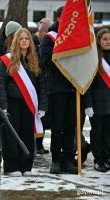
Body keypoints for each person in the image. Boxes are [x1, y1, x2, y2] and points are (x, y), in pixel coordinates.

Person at [0, 28, 48, 176]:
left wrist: (43, 105)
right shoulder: (6, 60)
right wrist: (3, 107)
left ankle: (26, 166)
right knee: (11, 135)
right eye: (21, 38)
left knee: (27, 135)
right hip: (12, 103)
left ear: (30, 42)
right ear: (16, 42)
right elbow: (0, 85)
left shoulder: (34, 60)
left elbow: (42, 84)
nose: (24, 41)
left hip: (29, 104)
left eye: (26, 38)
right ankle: (12, 167)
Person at [40, 6, 78, 174]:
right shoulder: (49, 38)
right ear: (58, 18)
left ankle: (69, 159)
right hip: (56, 88)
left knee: (71, 126)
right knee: (57, 126)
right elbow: (45, 62)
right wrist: (64, 58)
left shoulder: (76, 35)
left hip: (73, 87)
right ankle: (56, 159)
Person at [83, 28, 110, 172]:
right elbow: (88, 84)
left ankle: (107, 158)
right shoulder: (94, 59)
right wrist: (88, 104)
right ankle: (98, 160)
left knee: (108, 133)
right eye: (105, 39)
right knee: (97, 133)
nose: (108, 42)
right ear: (98, 41)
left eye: (109, 39)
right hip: (97, 103)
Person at [32, 17, 52, 155]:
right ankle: (36, 144)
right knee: (38, 117)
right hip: (37, 83)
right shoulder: (34, 42)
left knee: (44, 116)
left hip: (46, 83)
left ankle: (40, 144)